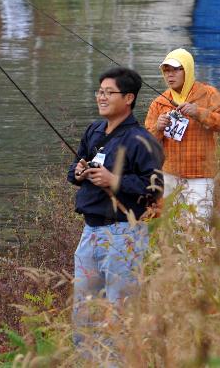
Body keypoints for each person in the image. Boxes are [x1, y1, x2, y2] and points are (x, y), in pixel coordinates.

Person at [68, 67, 163, 328]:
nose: (102, 97)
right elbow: (75, 166)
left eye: (109, 93)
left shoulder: (142, 141)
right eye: (100, 92)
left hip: (124, 233)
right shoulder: (94, 131)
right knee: (83, 310)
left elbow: (154, 188)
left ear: (129, 98)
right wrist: (79, 172)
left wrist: (115, 181)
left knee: (119, 312)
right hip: (90, 231)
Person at [145, 48, 220, 224]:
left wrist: (199, 112)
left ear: (188, 69)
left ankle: (199, 253)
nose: (170, 75)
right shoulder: (159, 102)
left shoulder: (209, 94)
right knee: (171, 227)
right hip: (169, 175)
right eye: (166, 71)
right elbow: (146, 144)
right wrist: (157, 128)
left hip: (200, 175)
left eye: (176, 69)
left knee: (198, 228)